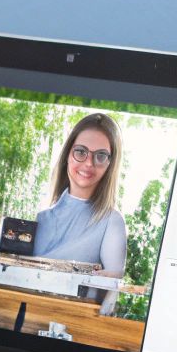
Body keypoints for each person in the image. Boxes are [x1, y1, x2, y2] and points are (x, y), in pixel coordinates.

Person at [30, 113, 127, 315]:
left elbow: (109, 302)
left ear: (111, 164)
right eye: (81, 152)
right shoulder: (40, 218)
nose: (89, 163)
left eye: (100, 155)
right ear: (67, 154)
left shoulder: (112, 222)